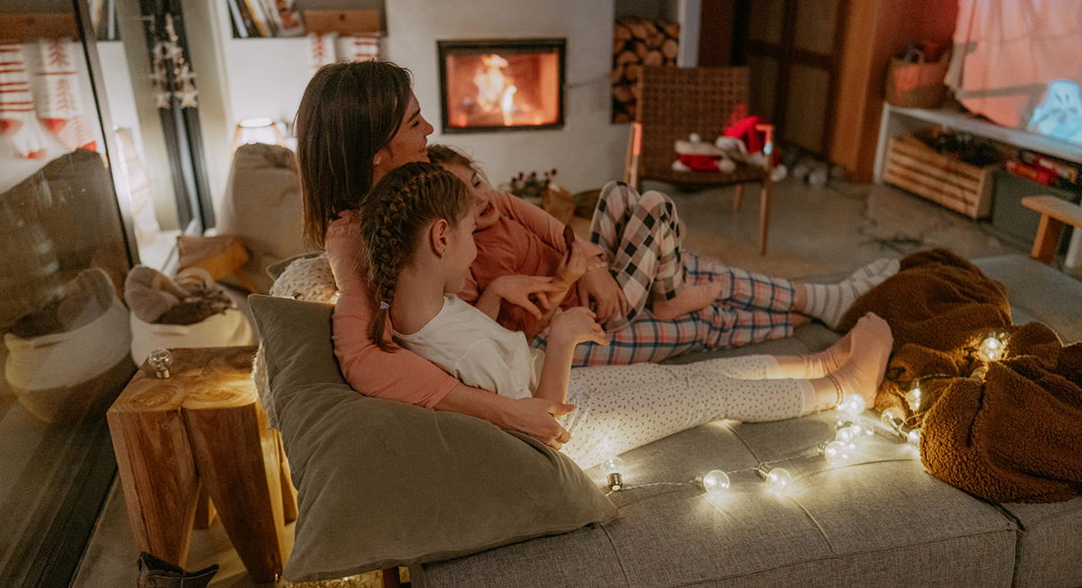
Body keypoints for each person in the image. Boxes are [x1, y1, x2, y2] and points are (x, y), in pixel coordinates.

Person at [355, 161, 895, 469]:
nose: (476, 249)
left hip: (556, 388)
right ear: (441, 237)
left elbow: (493, 357)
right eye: (471, 235)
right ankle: (845, 388)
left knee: (681, 376)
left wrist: (499, 296)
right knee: (706, 395)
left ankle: (817, 362)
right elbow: (543, 428)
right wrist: (563, 337)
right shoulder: (455, 344)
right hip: (575, 428)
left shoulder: (415, 311)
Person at [296, 60, 575, 448]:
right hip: (512, 352)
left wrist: (584, 258)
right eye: (414, 123)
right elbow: (362, 357)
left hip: (511, 328)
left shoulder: (411, 191)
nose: (429, 129)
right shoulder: (352, 237)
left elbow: (497, 202)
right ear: (375, 153)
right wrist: (509, 411)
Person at [427, 144, 899, 366]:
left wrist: (590, 264)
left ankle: (673, 281)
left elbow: (561, 233)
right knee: (655, 205)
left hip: (592, 283)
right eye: (465, 199)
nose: (480, 198)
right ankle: (669, 295)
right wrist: (574, 280)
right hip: (595, 315)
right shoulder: (478, 256)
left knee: (615, 192)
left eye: (477, 182)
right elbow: (526, 325)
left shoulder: (505, 202)